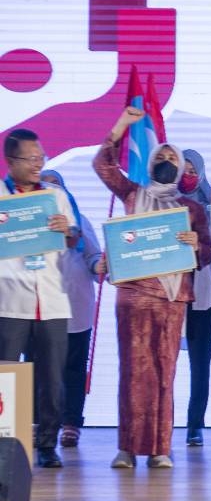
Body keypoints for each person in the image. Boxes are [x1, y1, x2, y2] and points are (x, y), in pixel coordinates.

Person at [93, 108, 211, 469]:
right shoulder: (132, 193)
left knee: (165, 370)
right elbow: (102, 167)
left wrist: (195, 243)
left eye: (171, 158)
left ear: (181, 169)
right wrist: (121, 126)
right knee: (132, 371)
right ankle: (127, 449)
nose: (165, 160)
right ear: (149, 163)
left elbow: (206, 253)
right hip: (133, 294)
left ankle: (161, 447)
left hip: (172, 297)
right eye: (160, 156)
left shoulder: (191, 209)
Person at [1, 129, 78, 468]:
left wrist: (66, 229)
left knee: (52, 378)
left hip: (51, 298)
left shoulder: (56, 195)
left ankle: (47, 444)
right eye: (30, 159)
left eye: (40, 158)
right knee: (6, 377)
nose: (37, 165)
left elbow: (75, 238)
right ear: (11, 161)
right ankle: (6, 444)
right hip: (9, 299)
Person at [38, 171, 103, 450]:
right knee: (41, 370)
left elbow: (93, 255)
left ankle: (71, 424)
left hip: (76, 306)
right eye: (46, 187)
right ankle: (40, 424)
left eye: (56, 187)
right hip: (38, 306)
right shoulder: (27, 225)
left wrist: (99, 265)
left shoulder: (79, 220)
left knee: (74, 369)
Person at [178, 149, 211, 447]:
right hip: (169, 296)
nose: (187, 175)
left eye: (191, 170)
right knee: (163, 365)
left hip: (201, 295)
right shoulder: (162, 202)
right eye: (181, 169)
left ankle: (195, 425)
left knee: (200, 367)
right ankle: (160, 424)